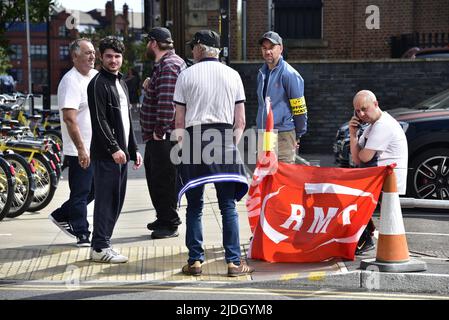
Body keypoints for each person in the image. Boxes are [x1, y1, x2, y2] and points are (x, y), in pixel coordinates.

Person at [173, 30, 254, 277]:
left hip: (194, 139)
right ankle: (232, 262)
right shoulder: (233, 75)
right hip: (223, 139)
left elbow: (179, 122)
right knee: (227, 205)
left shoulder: (185, 75)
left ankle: (195, 261)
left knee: (194, 205)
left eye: (192, 47)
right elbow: (240, 122)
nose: (191, 51)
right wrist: (231, 143)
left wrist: (181, 148)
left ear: (200, 48)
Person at [87, 36, 143, 263]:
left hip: (121, 154)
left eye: (117, 56)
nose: (113, 60)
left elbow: (126, 120)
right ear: (101, 57)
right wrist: (113, 148)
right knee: (106, 201)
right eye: (109, 56)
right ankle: (100, 247)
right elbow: (99, 120)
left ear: (122, 58)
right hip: (106, 155)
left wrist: (134, 149)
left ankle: (102, 244)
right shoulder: (97, 84)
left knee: (116, 201)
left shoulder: (121, 84)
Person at [48, 38, 97, 247]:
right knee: (81, 191)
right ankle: (82, 232)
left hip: (97, 147)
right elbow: (69, 118)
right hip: (80, 148)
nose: (92, 56)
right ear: (75, 56)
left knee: (94, 190)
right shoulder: (71, 81)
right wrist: (81, 149)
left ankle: (61, 214)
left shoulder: (95, 77)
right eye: (87, 53)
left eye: (94, 52)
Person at [349, 90, 408, 255]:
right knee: (348, 193)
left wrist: (355, 141)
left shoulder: (383, 125)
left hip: (388, 181)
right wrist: (353, 135)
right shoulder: (372, 126)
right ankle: (365, 236)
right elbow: (357, 159)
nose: (361, 114)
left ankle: (365, 239)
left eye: (364, 109)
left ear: (375, 104)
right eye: (357, 111)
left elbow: (364, 157)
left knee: (349, 196)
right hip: (377, 177)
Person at [140, 27, 185, 239]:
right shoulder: (164, 65)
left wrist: (159, 131)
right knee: (156, 178)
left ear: (154, 43)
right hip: (159, 136)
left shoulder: (169, 66)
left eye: (148, 42)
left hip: (164, 137)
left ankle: (169, 223)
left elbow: (168, 103)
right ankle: (163, 216)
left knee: (163, 180)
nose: (147, 46)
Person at [256, 31, 308, 164]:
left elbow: (300, 109)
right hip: (265, 133)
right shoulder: (262, 73)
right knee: (265, 176)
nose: (268, 52)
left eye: (271, 48)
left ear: (281, 48)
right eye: (264, 48)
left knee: (282, 177)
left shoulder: (289, 74)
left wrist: (299, 134)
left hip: (283, 134)